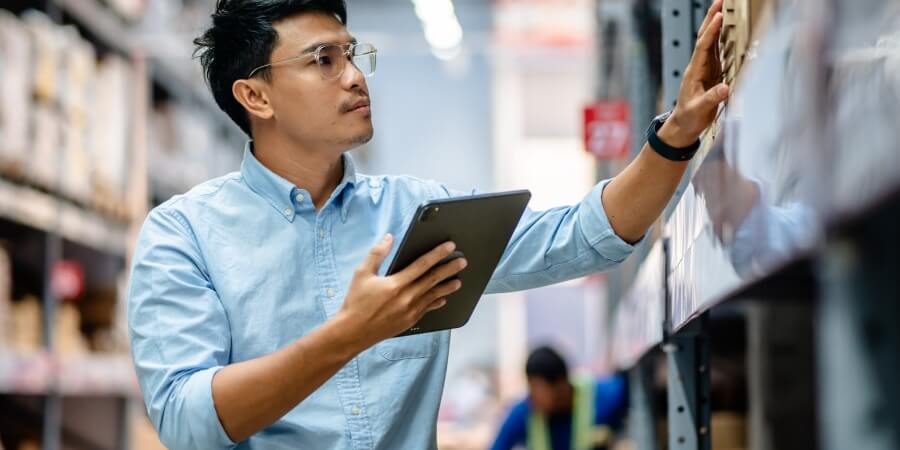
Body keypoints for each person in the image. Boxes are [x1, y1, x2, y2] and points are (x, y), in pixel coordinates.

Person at [126, 0, 729, 448]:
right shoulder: (184, 237)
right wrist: (348, 334)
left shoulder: (419, 213)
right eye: (322, 60)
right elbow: (188, 421)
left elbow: (579, 238)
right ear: (256, 98)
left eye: (352, 53)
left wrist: (675, 134)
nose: (355, 76)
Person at [491, 347, 628, 450]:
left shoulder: (605, 395)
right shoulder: (524, 413)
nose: (532, 397)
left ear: (561, 383)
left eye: (537, 388)